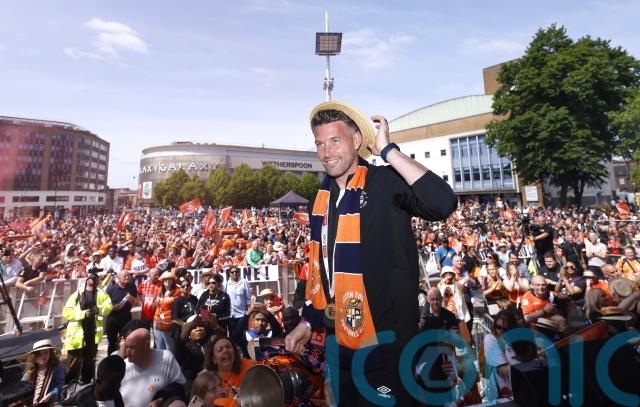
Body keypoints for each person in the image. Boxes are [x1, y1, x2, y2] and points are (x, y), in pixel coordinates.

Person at [285, 101, 456, 406]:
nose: (326, 152)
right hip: (340, 350)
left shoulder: (385, 182)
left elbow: (442, 203)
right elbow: (324, 275)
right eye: (320, 144)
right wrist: (308, 322)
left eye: (335, 141)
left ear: (356, 140)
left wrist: (388, 151)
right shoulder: (319, 200)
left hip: (387, 349)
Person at [63, 272, 112, 384]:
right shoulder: (77, 294)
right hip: (77, 335)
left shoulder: (102, 294)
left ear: (98, 280)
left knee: (89, 361)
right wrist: (83, 314)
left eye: (95, 277)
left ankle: (86, 383)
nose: (93, 278)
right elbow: (67, 312)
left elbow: (109, 307)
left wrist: (99, 309)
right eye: (90, 276)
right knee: (73, 362)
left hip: (92, 334)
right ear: (86, 279)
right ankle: (69, 384)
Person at [120, 328, 186, 407]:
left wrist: (161, 400)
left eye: (132, 347)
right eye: (126, 347)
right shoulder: (123, 366)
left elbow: (180, 386)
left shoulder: (166, 358)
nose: (127, 352)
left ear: (146, 346)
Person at [60, 355, 126, 407]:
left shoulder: (116, 397)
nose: (118, 386)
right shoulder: (82, 400)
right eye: (112, 384)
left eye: (119, 382)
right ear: (98, 382)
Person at [203, 335, 255, 400]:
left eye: (228, 347)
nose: (225, 350)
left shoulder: (249, 365)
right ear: (214, 359)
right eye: (220, 350)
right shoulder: (208, 381)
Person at [21, 339, 65, 406]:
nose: (43, 356)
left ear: (50, 353)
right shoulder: (30, 371)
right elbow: (22, 386)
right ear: (34, 356)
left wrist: (50, 395)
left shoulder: (56, 369)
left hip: (50, 403)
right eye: (39, 354)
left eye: (46, 352)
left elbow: (60, 385)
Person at [105, 270, 138, 355]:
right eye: (125, 276)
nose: (127, 278)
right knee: (112, 343)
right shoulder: (111, 289)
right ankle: (112, 360)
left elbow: (136, 303)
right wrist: (114, 308)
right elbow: (105, 307)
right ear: (118, 278)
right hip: (112, 319)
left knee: (127, 341)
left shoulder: (132, 287)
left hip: (126, 318)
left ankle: (125, 359)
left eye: (128, 276)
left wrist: (132, 299)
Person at [154, 271, 181, 353]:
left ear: (173, 280)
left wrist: (165, 300)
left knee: (170, 347)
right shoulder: (160, 290)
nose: (167, 281)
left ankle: (171, 360)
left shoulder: (177, 291)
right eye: (165, 279)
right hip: (157, 320)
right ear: (162, 281)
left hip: (168, 322)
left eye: (169, 279)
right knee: (159, 346)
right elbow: (157, 304)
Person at [224, 266, 252, 334]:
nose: (234, 273)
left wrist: (248, 313)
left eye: (236, 272)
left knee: (243, 334)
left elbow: (248, 297)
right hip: (231, 315)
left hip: (242, 314)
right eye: (232, 272)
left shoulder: (244, 282)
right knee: (232, 334)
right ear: (229, 273)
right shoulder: (226, 284)